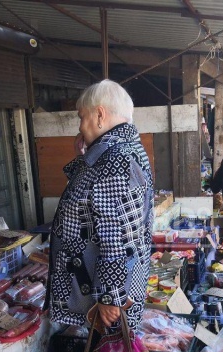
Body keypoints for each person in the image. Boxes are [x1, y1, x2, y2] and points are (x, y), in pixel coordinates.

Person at [47, 79, 153, 330]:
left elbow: (115, 236)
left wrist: (110, 297)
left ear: (100, 115)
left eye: (82, 117)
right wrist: (84, 156)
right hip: (104, 288)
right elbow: (95, 201)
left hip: (106, 302)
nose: (80, 126)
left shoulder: (115, 161)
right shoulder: (121, 151)